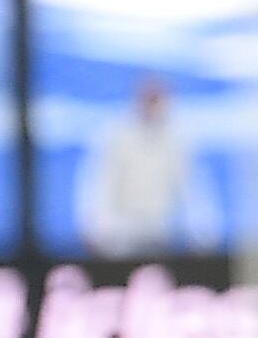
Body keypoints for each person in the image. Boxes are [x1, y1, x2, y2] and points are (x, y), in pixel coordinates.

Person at [79, 76, 210, 259]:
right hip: (120, 236)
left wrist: (204, 235)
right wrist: (96, 228)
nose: (153, 106)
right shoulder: (115, 135)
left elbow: (192, 189)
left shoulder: (177, 139)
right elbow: (99, 185)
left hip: (160, 234)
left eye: (157, 100)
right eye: (149, 99)